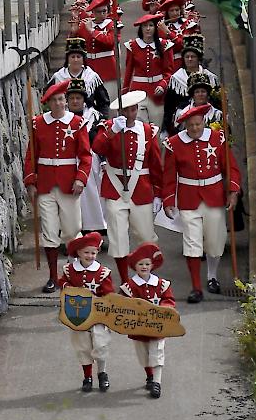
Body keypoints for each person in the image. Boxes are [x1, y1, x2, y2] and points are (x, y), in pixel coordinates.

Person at [162, 103, 242, 302]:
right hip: (189, 198)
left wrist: (233, 191)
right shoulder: (174, 143)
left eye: (198, 124)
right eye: (191, 126)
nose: (195, 129)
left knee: (215, 241)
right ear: (185, 126)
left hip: (214, 196)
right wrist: (169, 199)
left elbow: (231, 167)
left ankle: (212, 276)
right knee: (192, 243)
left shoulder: (217, 138)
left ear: (203, 122)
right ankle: (196, 288)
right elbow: (169, 175)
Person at [23, 82, 92, 293]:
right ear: (48, 103)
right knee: (50, 231)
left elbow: (85, 155)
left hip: (69, 183)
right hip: (45, 184)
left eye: (62, 99)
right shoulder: (38, 124)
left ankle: (75, 275)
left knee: (72, 230)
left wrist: (81, 178)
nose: (60, 103)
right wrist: (30, 181)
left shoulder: (77, 123)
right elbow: (31, 155)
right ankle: (53, 277)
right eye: (55, 100)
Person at [92, 91, 163, 283]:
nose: (130, 113)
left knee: (146, 237)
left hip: (141, 189)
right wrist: (112, 131)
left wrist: (159, 193)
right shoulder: (108, 128)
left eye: (133, 109)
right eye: (126, 110)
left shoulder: (148, 131)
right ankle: (125, 281)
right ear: (119, 111)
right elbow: (97, 148)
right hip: (115, 189)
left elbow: (156, 164)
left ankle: (146, 278)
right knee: (118, 238)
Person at [59, 231, 114, 393]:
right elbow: (62, 282)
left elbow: (108, 293)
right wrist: (68, 288)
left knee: (101, 344)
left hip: (98, 316)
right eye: (86, 253)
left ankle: (102, 373)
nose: (90, 256)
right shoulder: (70, 270)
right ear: (78, 253)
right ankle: (87, 377)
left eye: (93, 252)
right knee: (82, 346)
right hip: (78, 315)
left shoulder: (103, 273)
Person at [119, 243, 175, 399]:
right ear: (135, 266)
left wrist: (164, 308)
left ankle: (157, 383)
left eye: (147, 264)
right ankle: (150, 376)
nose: (144, 267)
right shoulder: (128, 287)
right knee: (143, 355)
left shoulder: (162, 284)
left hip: (158, 327)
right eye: (140, 264)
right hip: (138, 328)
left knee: (157, 352)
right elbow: (120, 305)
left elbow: (169, 300)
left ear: (152, 265)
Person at [63, 79, 107, 234]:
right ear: (67, 100)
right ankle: (70, 232)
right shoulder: (62, 118)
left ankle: (93, 230)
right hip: (67, 161)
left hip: (90, 162)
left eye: (78, 98)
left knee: (92, 197)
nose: (75, 101)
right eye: (72, 98)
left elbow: (102, 139)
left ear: (84, 99)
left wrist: (103, 159)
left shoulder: (94, 117)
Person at [122, 14, 174, 126]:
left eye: (151, 25)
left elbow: (169, 72)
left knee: (156, 128)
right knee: (140, 126)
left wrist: (162, 85)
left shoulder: (164, 45)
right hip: (137, 91)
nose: (148, 28)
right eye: (145, 26)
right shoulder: (133, 46)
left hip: (157, 93)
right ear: (141, 28)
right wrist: (125, 93)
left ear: (155, 28)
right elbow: (128, 72)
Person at [163, 35, 218, 134]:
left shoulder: (211, 78)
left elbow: (218, 103)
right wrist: (167, 128)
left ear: (199, 58)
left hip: (208, 122)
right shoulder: (176, 79)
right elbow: (169, 107)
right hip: (182, 124)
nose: (189, 59)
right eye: (186, 57)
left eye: (193, 56)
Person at [48, 36, 110, 116]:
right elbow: (48, 101)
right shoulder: (58, 78)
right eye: (72, 57)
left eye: (78, 57)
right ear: (68, 59)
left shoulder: (92, 77)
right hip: (62, 118)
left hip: (88, 119)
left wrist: (102, 120)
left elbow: (103, 102)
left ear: (83, 58)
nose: (76, 60)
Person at [76, 0, 118, 104]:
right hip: (89, 67)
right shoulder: (86, 25)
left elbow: (110, 42)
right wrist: (74, 30)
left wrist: (92, 31)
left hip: (107, 68)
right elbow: (75, 44)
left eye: (104, 11)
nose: (102, 14)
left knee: (110, 101)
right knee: (89, 101)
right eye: (99, 12)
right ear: (93, 12)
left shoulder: (111, 25)